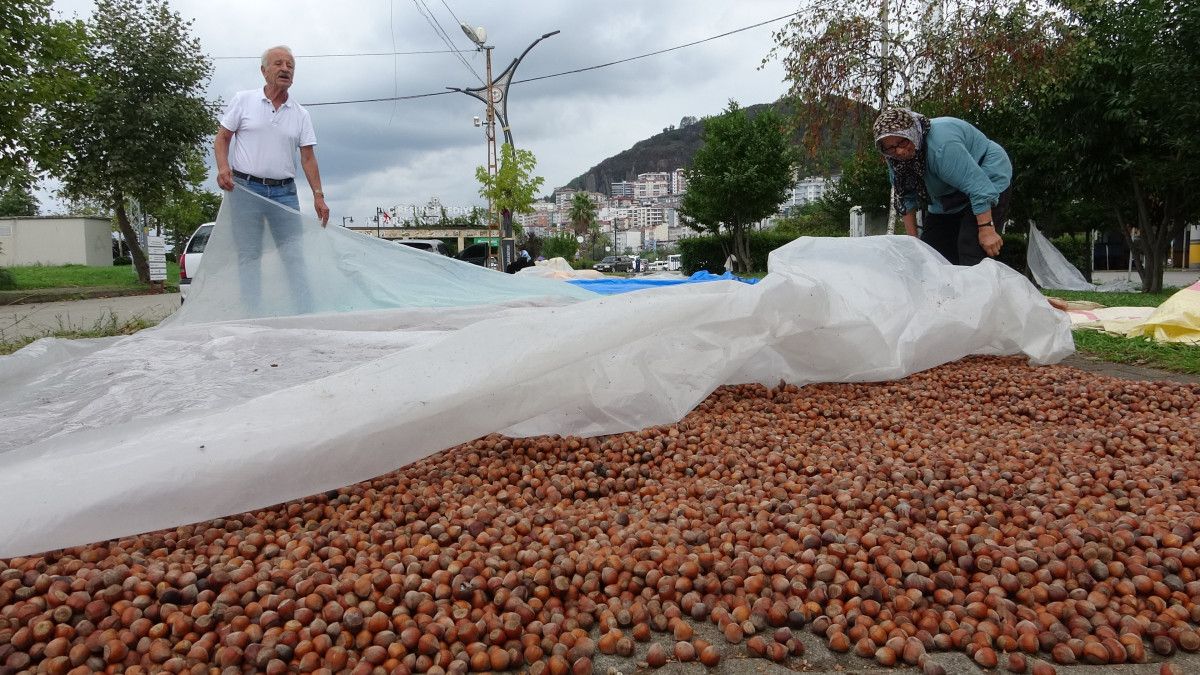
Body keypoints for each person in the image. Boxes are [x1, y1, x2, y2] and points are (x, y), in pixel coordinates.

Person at [213, 45, 329, 313]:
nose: (285, 69)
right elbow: (222, 137)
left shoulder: (300, 114)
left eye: (290, 65)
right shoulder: (244, 100)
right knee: (249, 255)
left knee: (293, 255)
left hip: (284, 192)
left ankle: (305, 313)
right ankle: (251, 315)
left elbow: (308, 157)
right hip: (245, 189)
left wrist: (319, 196)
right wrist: (222, 167)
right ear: (264, 70)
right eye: (278, 64)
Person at [873, 107, 1010, 266]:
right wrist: (913, 242)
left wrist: (987, 230)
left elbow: (978, 186)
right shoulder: (895, 159)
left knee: (971, 249)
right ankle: (943, 291)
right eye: (890, 147)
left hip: (986, 178)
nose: (900, 151)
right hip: (946, 196)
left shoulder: (942, 147)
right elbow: (906, 197)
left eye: (903, 141)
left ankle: (979, 290)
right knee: (931, 253)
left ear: (912, 132)